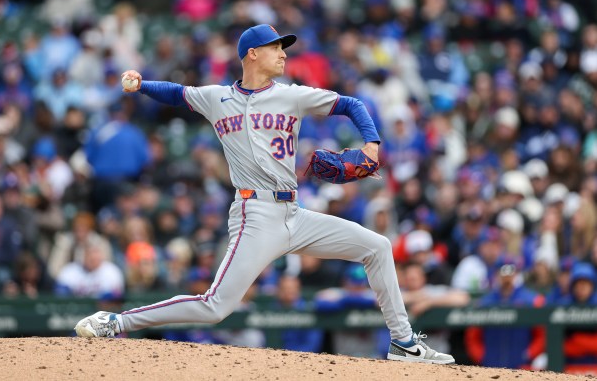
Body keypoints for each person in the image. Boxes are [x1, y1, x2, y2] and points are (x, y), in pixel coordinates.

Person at [74, 24, 454, 364]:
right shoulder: (216, 97)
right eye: (276, 47)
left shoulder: (293, 96)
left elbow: (352, 104)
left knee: (378, 246)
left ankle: (403, 342)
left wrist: (371, 143)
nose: (284, 53)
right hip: (254, 215)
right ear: (252, 53)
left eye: (284, 47)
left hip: (295, 214)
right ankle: (117, 320)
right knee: (215, 307)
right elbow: (177, 93)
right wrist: (142, 84)